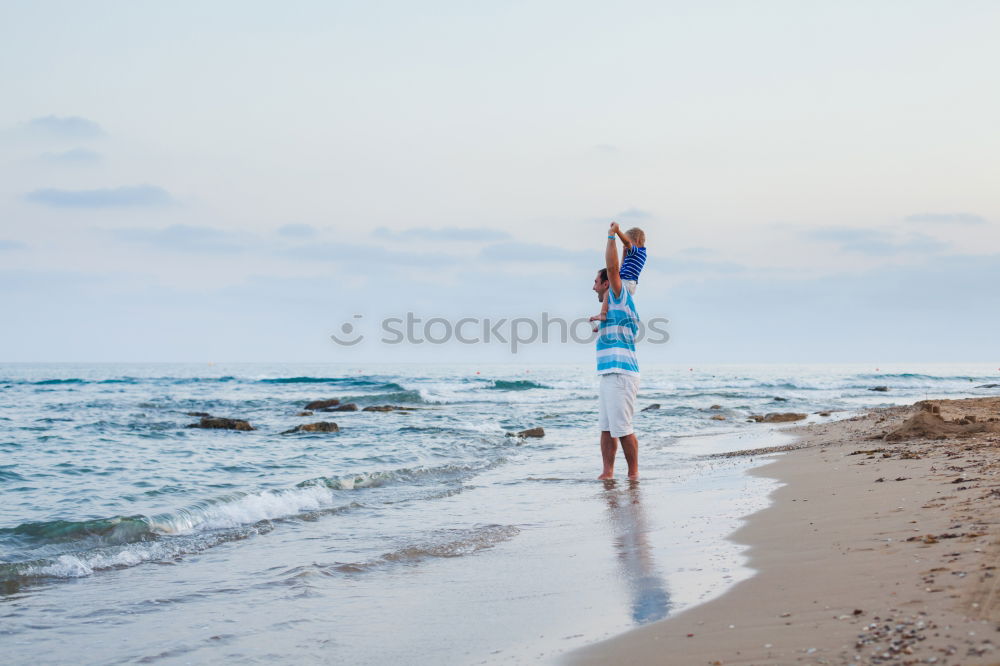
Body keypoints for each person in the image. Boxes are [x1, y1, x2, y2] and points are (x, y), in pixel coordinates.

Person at [592, 222, 641, 480]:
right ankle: (607, 473)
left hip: (621, 374)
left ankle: (633, 475)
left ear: (607, 284)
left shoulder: (620, 296)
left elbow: (613, 269)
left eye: (596, 282)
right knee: (606, 428)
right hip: (609, 374)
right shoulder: (611, 309)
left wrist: (611, 236)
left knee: (622, 429)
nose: (593, 287)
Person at [590, 224, 646, 331]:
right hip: (629, 282)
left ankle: (603, 314)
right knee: (613, 304)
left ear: (637, 241)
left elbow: (614, 269)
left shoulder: (638, 251)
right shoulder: (634, 255)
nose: (625, 246)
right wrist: (624, 254)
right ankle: (604, 323)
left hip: (628, 282)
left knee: (608, 293)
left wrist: (617, 231)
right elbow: (621, 269)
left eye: (626, 242)